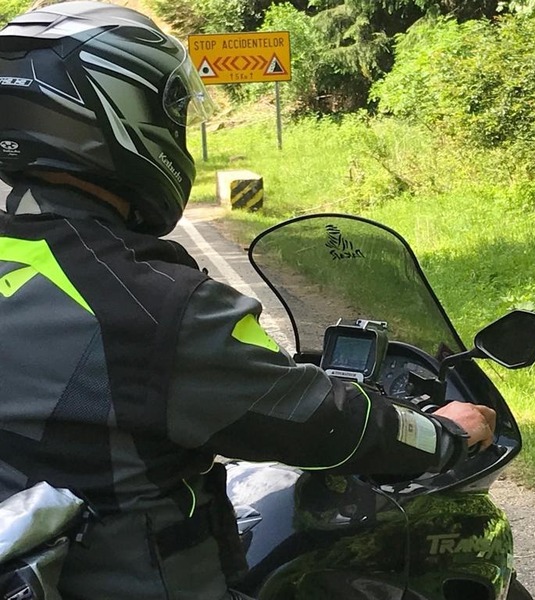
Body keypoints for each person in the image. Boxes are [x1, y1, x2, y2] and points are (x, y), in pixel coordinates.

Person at [0, 3, 497, 600]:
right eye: (174, 113)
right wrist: (440, 435)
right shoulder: (154, 307)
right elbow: (321, 424)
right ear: (121, 116)